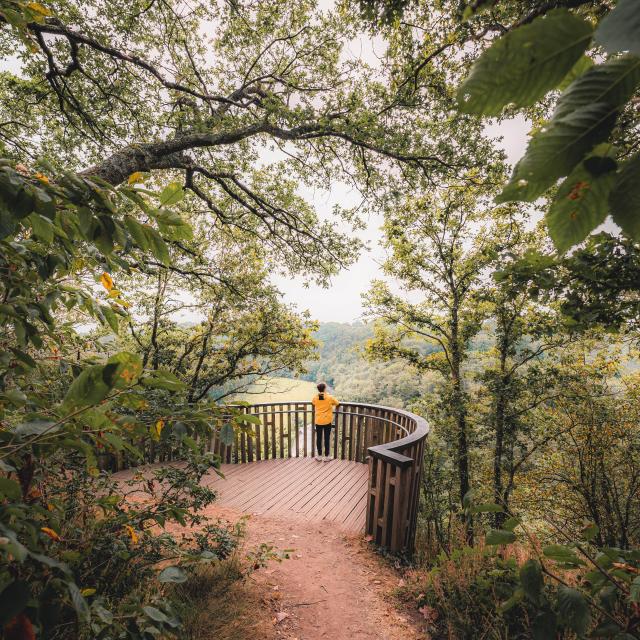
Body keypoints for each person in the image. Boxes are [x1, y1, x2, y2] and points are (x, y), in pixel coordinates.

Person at [311, 382, 339, 461]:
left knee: (319, 438)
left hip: (318, 420)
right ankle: (327, 456)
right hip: (327, 420)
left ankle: (319, 456)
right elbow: (337, 403)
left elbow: (313, 402)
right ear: (325, 388)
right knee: (327, 438)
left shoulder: (316, 397)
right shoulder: (329, 397)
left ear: (318, 389)